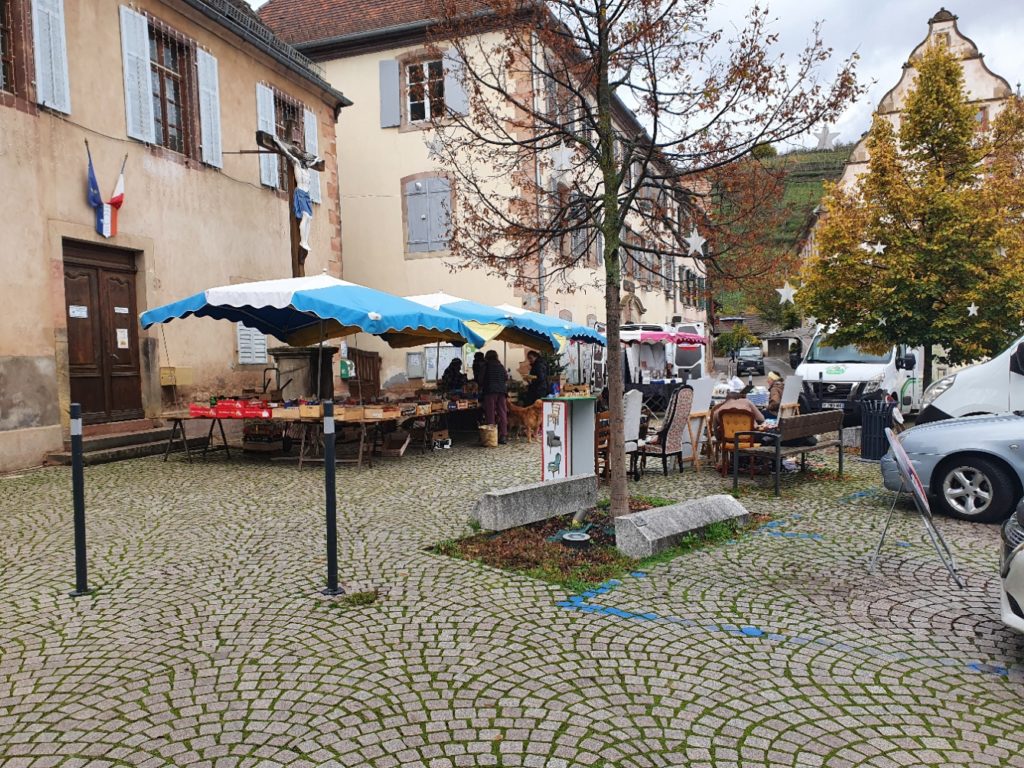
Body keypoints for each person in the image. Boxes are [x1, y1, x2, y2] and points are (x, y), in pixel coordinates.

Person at [481, 349, 509, 444]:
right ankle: (503, 435)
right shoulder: (501, 366)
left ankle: (492, 436)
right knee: (502, 413)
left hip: (490, 391)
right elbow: (506, 377)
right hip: (502, 391)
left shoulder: (486, 366)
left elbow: (481, 379)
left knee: (490, 413)